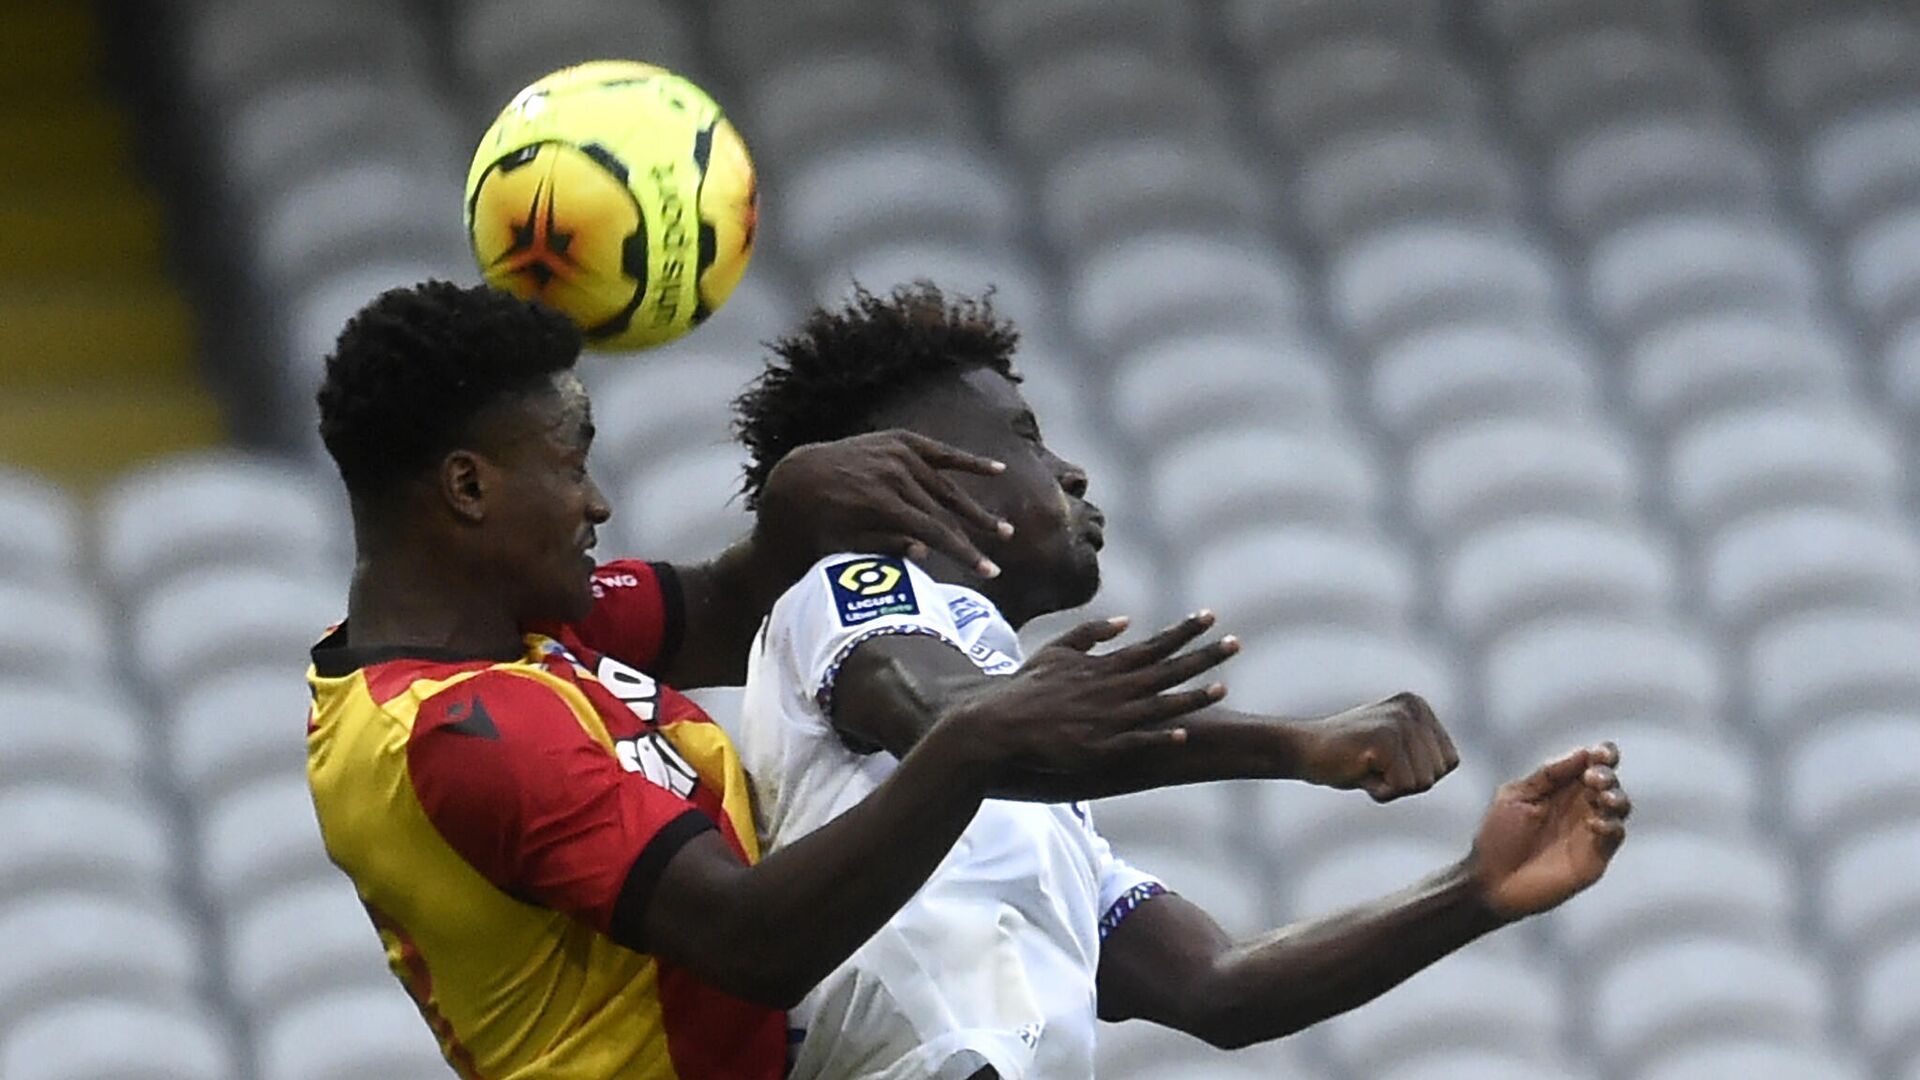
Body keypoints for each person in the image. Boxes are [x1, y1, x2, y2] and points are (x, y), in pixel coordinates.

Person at [304, 280, 1238, 1080]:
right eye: (571, 462)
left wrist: (792, 513)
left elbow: (721, 607)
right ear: (468, 489)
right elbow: (754, 943)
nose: (598, 501)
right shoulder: (461, 739)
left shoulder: (511, 625)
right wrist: (972, 745)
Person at [732, 283, 1635, 1079]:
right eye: (1027, 439)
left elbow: (1217, 987)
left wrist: (1473, 889)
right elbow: (951, 727)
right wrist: (1295, 744)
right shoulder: (847, 588)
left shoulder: (1048, 811)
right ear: (923, 473)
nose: (1071, 472)